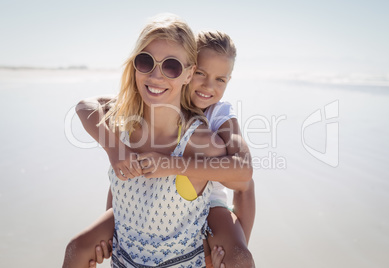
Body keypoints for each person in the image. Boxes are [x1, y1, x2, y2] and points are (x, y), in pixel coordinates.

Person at [66, 28, 255, 268]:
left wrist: (172, 165)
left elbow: (244, 173)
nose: (208, 86)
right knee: (77, 247)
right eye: (200, 73)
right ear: (187, 71)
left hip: (210, 200)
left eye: (221, 79)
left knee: (239, 257)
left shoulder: (220, 112)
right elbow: (88, 106)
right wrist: (115, 149)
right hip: (154, 200)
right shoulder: (162, 95)